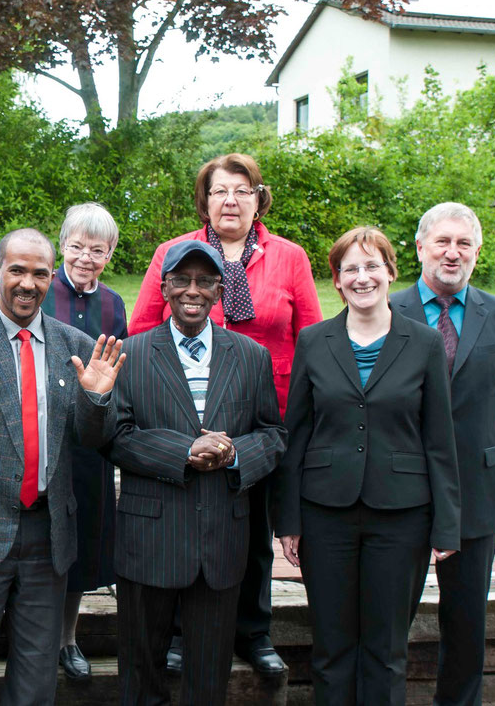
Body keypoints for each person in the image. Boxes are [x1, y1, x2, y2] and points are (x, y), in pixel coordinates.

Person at [128, 153, 321, 675]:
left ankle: (254, 633)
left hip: (261, 413)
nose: (230, 199)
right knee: (185, 526)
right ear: (205, 200)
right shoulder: (174, 254)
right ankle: (177, 631)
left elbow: (313, 337)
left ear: (259, 197)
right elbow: (142, 328)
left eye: (242, 189)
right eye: (219, 190)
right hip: (180, 411)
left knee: (252, 530)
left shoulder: (288, 257)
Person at [0, 228, 124, 705]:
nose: (27, 283)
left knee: (35, 675)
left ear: (51, 277)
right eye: (17, 270)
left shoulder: (74, 344)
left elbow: (92, 440)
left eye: (38, 273)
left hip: (48, 534)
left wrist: (95, 397)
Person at [274, 226, 460, 705]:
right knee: (332, 648)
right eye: (350, 269)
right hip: (324, 514)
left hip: (401, 515)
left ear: (390, 272)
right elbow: (295, 434)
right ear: (336, 281)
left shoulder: (422, 343)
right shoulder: (314, 340)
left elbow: (439, 440)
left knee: (386, 649)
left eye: (371, 266)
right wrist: (288, 520)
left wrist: (447, 525)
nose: (362, 277)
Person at [110, 240, 286, 705]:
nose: (193, 290)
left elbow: (272, 434)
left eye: (205, 281)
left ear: (219, 290)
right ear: (164, 287)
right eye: (182, 280)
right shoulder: (131, 354)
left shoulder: (251, 356)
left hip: (221, 546)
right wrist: (185, 450)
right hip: (150, 541)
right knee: (140, 677)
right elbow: (116, 436)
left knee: (209, 682)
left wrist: (232, 455)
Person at [391, 202, 495, 705]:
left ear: (477, 251)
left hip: (476, 486)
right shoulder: (388, 310)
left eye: (463, 243)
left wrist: (474, 449)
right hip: (399, 486)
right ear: (421, 246)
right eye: (442, 242)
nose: (453, 253)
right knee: (389, 617)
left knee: (466, 619)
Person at [38, 202, 126, 680]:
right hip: (43, 431)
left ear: (110, 253)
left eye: (97, 249)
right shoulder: (40, 288)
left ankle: (68, 638)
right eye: (76, 247)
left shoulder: (113, 303)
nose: (85, 257)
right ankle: (32, 634)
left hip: (90, 438)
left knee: (81, 540)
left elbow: (119, 367)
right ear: (62, 244)